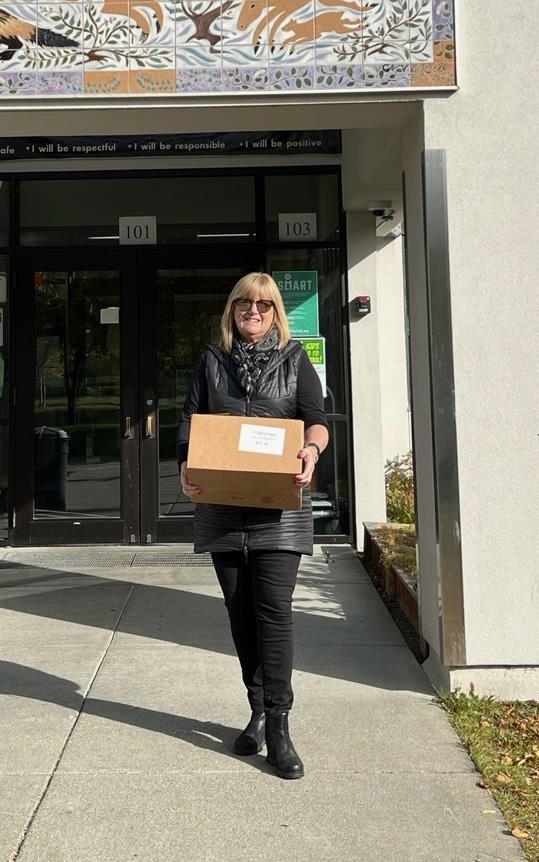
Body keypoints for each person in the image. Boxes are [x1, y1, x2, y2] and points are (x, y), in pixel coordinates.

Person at [177, 272, 329, 779]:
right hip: (223, 509)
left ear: (275, 311)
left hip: (280, 511)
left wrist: (309, 450)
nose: (254, 311)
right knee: (240, 613)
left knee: (274, 612)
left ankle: (280, 724)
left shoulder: (295, 359)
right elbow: (190, 421)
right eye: (245, 302)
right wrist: (186, 464)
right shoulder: (211, 362)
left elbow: (317, 418)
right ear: (232, 309)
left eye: (264, 304)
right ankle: (257, 708)